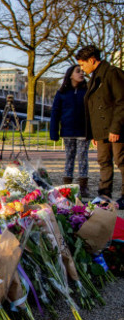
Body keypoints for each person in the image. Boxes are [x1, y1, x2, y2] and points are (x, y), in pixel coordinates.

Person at [77, 45, 124, 205]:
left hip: (115, 128)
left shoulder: (112, 73)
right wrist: (93, 134)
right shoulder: (94, 78)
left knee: (121, 160)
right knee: (103, 162)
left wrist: (116, 128)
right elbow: (92, 108)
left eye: (83, 65)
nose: (82, 69)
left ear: (92, 60)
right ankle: (104, 195)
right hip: (101, 131)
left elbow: (121, 101)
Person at [49, 64, 90, 197]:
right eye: (78, 71)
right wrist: (54, 132)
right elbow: (55, 112)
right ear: (70, 75)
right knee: (69, 158)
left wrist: (92, 131)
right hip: (67, 131)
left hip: (83, 131)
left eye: (83, 71)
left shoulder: (87, 91)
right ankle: (67, 185)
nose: (82, 73)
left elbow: (92, 112)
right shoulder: (61, 93)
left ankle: (83, 187)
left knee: (83, 158)